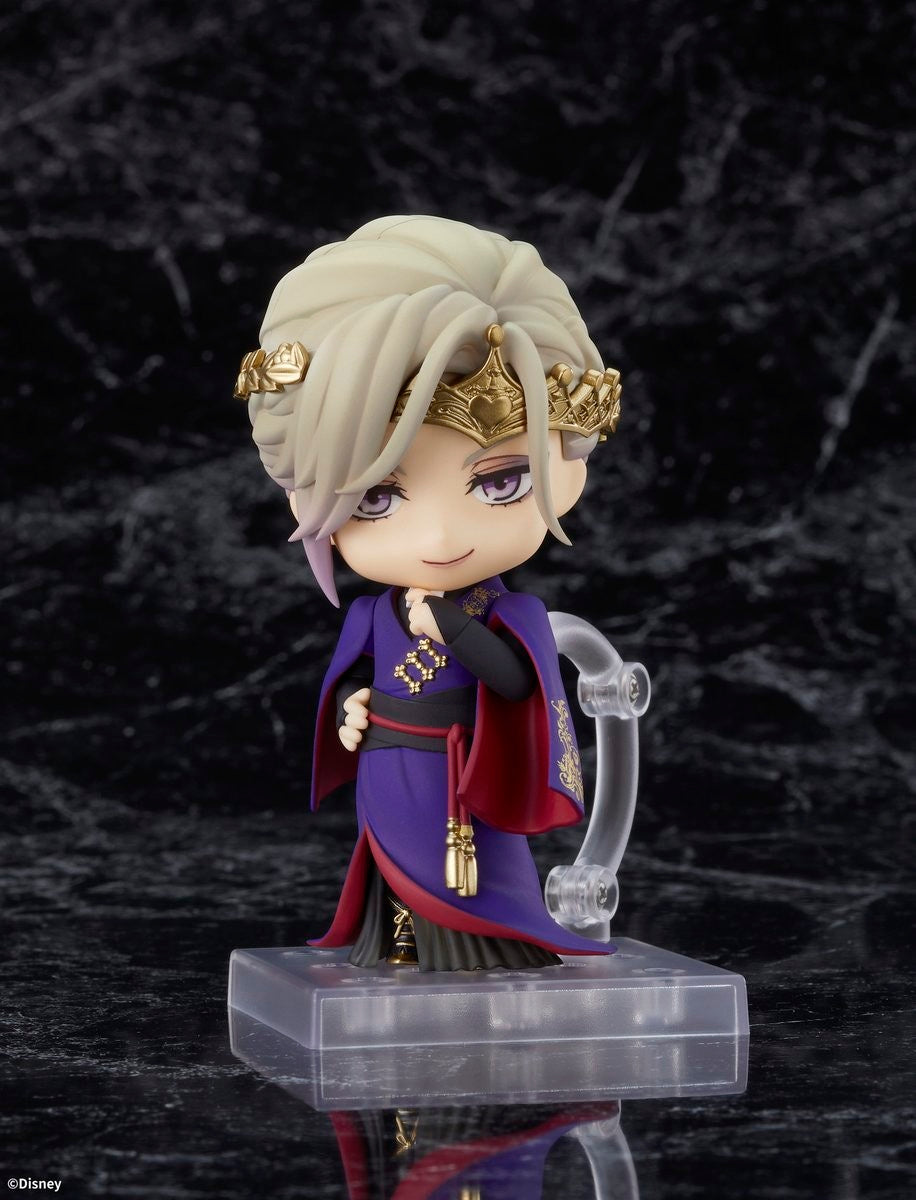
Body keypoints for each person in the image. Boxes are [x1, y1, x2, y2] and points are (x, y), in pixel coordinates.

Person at [236, 216, 622, 971]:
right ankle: (396, 951)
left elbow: (518, 683)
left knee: (478, 895)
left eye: (501, 483)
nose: (441, 538)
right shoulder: (373, 613)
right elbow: (356, 674)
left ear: (568, 474)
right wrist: (349, 706)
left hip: (462, 776)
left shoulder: (509, 613)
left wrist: (456, 631)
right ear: (301, 499)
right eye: (376, 499)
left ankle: (482, 967)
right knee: (390, 885)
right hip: (390, 769)